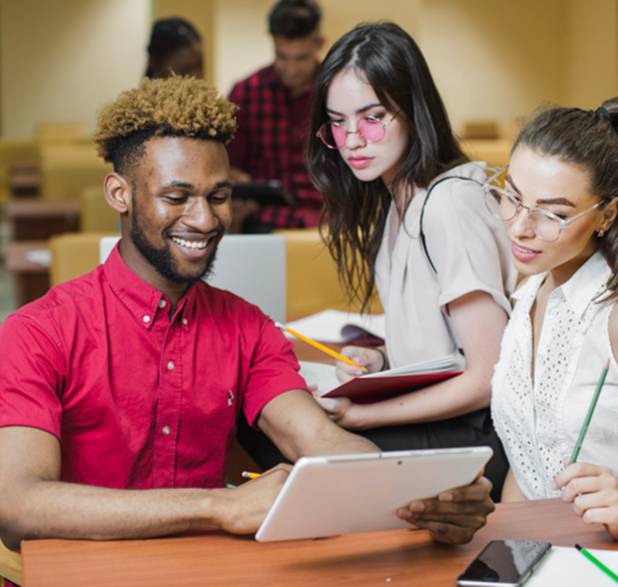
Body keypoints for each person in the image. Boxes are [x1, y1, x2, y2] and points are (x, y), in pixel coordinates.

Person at [0, 77, 495, 557]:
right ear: (119, 194)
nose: (204, 219)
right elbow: (18, 505)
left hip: (210, 572)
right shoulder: (38, 332)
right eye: (176, 197)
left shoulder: (247, 327)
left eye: (218, 197)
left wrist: (429, 498)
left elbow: (316, 437)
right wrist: (219, 507)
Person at [303, 22, 516, 500]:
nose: (352, 139)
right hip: (442, 421)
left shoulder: (449, 205)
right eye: (336, 122)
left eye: (373, 116)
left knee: (291, 432)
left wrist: (364, 415)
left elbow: (486, 378)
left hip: (476, 438)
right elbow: (446, 344)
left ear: (413, 110)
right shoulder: (398, 201)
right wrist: (382, 357)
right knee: (284, 420)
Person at [489, 100, 618, 540]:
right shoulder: (526, 295)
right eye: (512, 196)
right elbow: (526, 472)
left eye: (553, 215)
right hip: (543, 556)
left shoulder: (611, 315)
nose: (521, 227)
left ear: (608, 214)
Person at [227, 0, 325, 232]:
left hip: (326, 224)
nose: (290, 69)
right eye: (282, 56)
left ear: (319, 43)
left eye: (301, 58)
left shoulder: (336, 91)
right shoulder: (246, 93)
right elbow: (230, 165)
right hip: (262, 223)